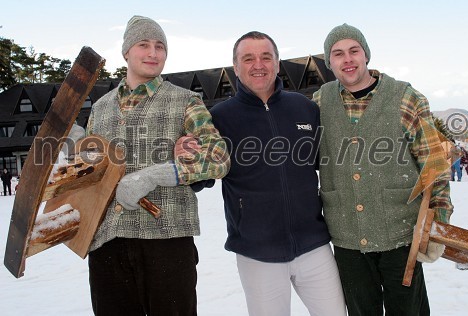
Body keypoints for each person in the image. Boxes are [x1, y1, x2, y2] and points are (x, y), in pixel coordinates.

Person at [81, 15, 230, 316]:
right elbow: (89, 172)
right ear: (126, 52)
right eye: (143, 44)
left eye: (160, 46)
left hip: (168, 240)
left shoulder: (186, 100)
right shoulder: (100, 108)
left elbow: (218, 157)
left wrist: (156, 175)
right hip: (108, 242)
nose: (153, 53)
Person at [313, 24, 453, 315]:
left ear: (366, 55)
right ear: (329, 62)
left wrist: (437, 222)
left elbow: (434, 164)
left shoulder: (405, 97)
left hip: (401, 232)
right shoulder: (319, 102)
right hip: (347, 235)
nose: (347, 59)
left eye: (354, 50)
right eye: (338, 54)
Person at [209, 31, 346, 316]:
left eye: (266, 57)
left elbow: (331, 164)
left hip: (314, 245)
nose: (258, 64)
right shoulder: (219, 118)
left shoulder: (305, 108)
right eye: (248, 58)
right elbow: (201, 176)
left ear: (277, 62)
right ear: (236, 67)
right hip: (257, 252)